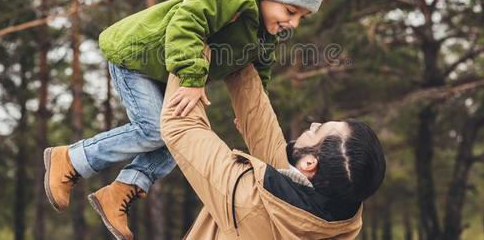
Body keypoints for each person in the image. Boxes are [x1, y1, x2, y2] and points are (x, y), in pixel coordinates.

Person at [43, 0, 324, 239]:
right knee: (154, 129)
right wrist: (192, 80)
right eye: (290, 10)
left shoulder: (265, 28)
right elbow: (187, 21)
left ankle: (123, 189)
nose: (292, 23)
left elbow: (260, 67)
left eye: (300, 18)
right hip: (139, 56)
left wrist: (250, 113)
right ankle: (71, 159)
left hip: (165, 70)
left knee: (183, 136)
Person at [161, 50, 386, 239]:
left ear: (309, 163)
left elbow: (180, 126)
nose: (314, 125)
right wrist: (238, 46)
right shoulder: (328, 215)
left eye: (318, 130)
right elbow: (263, 132)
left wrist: (195, 48)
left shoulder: (249, 203)